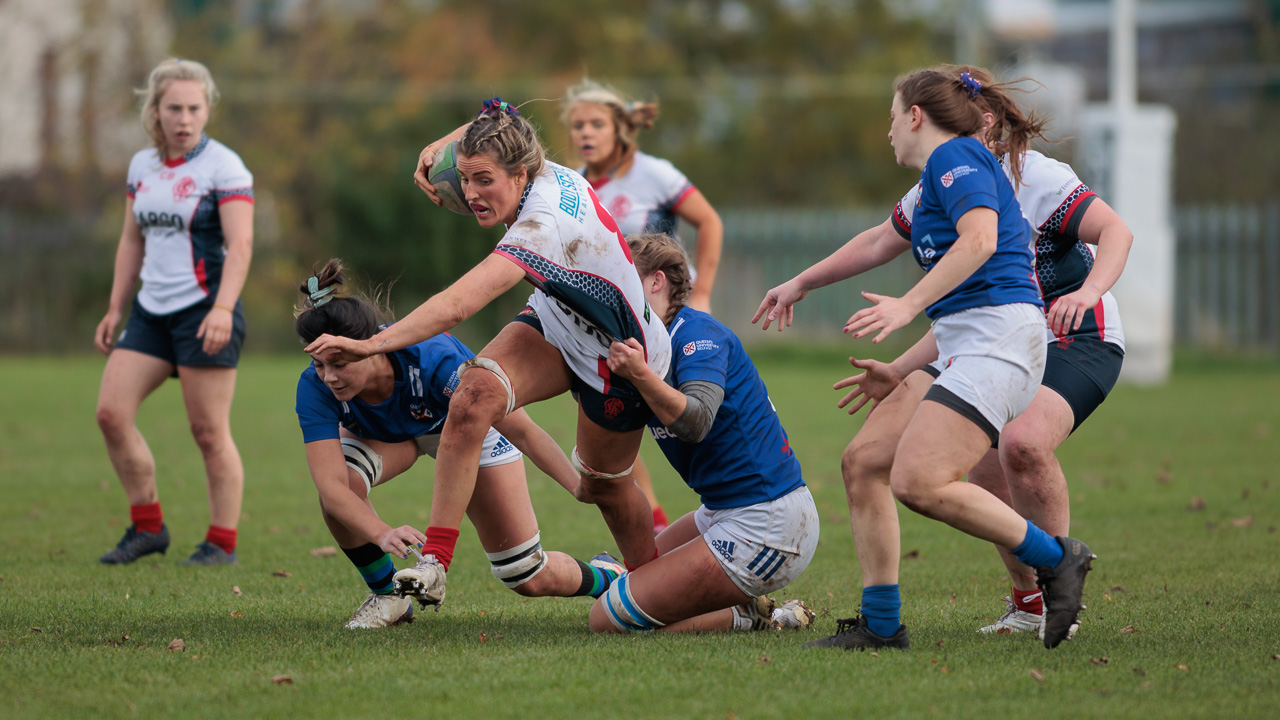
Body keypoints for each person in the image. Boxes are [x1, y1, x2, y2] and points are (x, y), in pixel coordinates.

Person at [758, 64, 1130, 644]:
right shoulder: (943, 174)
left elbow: (982, 243)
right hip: (972, 338)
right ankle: (882, 626)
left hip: (1008, 340)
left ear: (915, 116)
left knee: (926, 478)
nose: (887, 133)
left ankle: (1055, 561)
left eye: (890, 117)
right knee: (867, 462)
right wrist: (802, 284)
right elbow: (882, 240)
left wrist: (906, 306)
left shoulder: (957, 161)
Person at [305, 98, 671, 612]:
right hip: (557, 317)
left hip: (621, 357)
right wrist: (439, 149)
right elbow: (497, 112)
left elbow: (456, 305)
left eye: (483, 181)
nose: (470, 193)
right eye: (467, 177)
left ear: (520, 174)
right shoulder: (537, 164)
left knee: (603, 486)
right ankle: (434, 563)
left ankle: (651, 582)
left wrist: (369, 344)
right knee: (471, 396)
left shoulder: (539, 228)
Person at [294, 260, 624, 628]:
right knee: (343, 490)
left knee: (526, 574)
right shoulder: (314, 386)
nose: (330, 377)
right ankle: (389, 595)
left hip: (459, 431)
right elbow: (332, 487)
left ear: (371, 346)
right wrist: (380, 532)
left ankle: (608, 575)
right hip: (391, 438)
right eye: (321, 365)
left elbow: (524, 431)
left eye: (339, 362)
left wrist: (578, 486)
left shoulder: (434, 357)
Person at [592, 234, 817, 634]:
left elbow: (696, 422)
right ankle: (743, 602)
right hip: (721, 511)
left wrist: (639, 374)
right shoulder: (646, 344)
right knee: (634, 577)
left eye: (624, 279)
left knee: (610, 618)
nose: (615, 291)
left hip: (766, 520)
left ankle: (751, 617)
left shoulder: (696, 334)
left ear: (657, 281)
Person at [95, 58, 253, 566]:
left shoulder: (224, 167)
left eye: (194, 108)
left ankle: (221, 543)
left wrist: (224, 307)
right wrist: (115, 307)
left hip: (205, 312)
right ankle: (148, 527)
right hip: (149, 313)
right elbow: (130, 240)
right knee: (111, 414)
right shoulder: (142, 166)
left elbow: (242, 244)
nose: (184, 118)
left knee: (208, 432)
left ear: (207, 109)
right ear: (155, 111)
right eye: (173, 108)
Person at [563, 79, 725, 533]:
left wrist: (704, 290)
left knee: (690, 416)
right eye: (577, 125)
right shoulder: (573, 184)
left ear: (621, 129)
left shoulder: (654, 173)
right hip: (606, 325)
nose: (585, 133)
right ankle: (654, 524)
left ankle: (729, 510)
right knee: (613, 428)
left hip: (664, 318)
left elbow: (709, 221)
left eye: (596, 123)